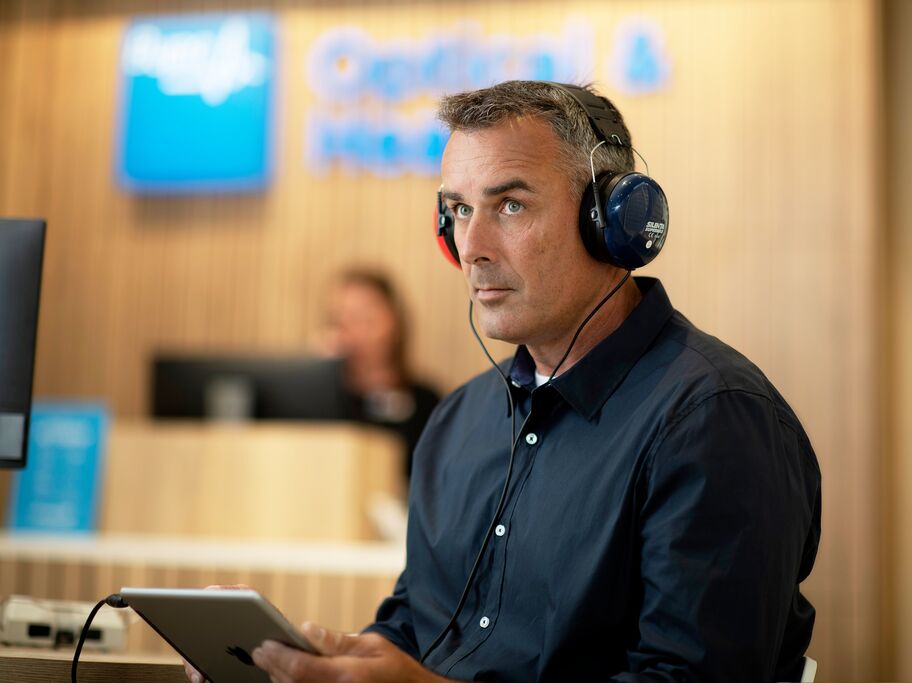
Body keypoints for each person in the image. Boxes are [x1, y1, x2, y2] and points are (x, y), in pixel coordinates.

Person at [239, 81, 822, 682]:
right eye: (460, 210)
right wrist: (322, 662)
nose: (472, 248)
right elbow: (416, 627)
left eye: (510, 206)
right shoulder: (459, 421)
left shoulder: (714, 420)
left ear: (611, 221)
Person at [316, 269, 441, 479]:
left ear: (395, 321)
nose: (355, 330)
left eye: (366, 318)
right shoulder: (324, 398)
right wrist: (321, 373)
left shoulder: (425, 401)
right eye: (341, 320)